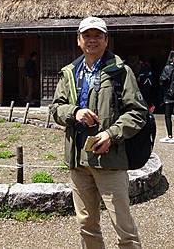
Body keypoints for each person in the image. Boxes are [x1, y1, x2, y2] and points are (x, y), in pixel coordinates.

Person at [51, 16, 146, 248]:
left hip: (110, 160)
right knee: (86, 224)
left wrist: (111, 134)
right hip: (78, 160)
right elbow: (56, 108)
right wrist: (74, 112)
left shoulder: (120, 71)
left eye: (97, 36)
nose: (92, 40)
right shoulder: (70, 73)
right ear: (78, 40)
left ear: (106, 40)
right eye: (87, 35)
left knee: (123, 226)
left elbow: (137, 112)